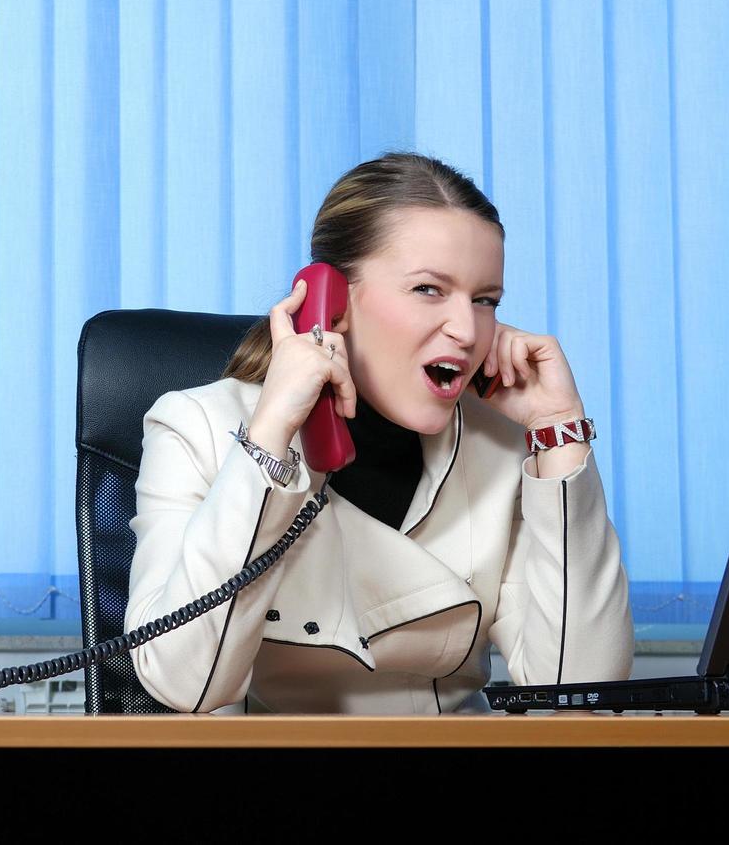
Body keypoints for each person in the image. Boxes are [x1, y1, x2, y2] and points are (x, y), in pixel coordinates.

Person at [123, 152, 633, 714]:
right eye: (429, 290)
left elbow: (583, 691)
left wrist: (558, 432)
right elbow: (185, 684)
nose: (467, 331)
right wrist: (271, 442)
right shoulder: (196, 428)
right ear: (331, 302)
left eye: (485, 300)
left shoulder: (500, 447)